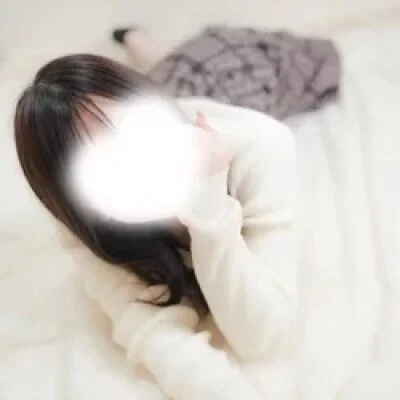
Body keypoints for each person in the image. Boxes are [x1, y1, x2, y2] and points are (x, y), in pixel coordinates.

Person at [14, 53, 297, 399]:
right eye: (100, 160)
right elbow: (157, 336)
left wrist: (208, 194)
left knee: (213, 65)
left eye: (126, 131)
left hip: (233, 87)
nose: (130, 163)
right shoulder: (81, 211)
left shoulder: (260, 146)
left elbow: (262, 337)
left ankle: (145, 47)